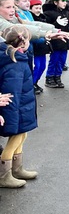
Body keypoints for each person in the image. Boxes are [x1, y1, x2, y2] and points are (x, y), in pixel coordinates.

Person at [0, 26, 38, 188]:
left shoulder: (17, 58)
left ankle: (17, 168)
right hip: (16, 109)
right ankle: (4, 174)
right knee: (16, 137)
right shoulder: (15, 64)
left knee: (22, 136)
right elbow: (12, 92)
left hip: (22, 106)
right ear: (24, 43)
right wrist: (12, 116)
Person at [42, 0, 69, 89]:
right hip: (55, 41)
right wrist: (56, 23)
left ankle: (58, 77)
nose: (65, 3)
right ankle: (49, 77)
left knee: (62, 60)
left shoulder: (66, 12)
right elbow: (46, 27)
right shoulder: (48, 13)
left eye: (66, 1)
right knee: (54, 60)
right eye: (62, 1)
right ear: (55, 2)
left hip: (64, 41)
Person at [29, 0, 49, 94]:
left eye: (39, 8)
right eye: (36, 8)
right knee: (37, 66)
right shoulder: (31, 19)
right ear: (31, 9)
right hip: (36, 47)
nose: (38, 10)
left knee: (42, 66)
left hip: (42, 47)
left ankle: (36, 82)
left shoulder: (43, 17)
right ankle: (31, 84)